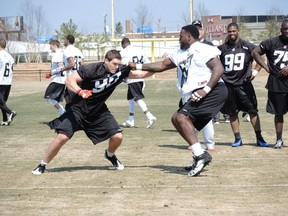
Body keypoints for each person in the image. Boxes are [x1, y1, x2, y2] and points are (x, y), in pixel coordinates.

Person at [32, 50, 153, 175]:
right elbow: (69, 80)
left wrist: (157, 68)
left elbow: (141, 75)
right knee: (62, 137)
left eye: (118, 64)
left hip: (98, 111)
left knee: (118, 137)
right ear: (106, 61)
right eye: (114, 64)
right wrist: (80, 91)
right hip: (77, 109)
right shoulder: (91, 69)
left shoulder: (120, 71)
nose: (117, 67)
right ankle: (42, 165)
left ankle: (110, 155)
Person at [129, 25, 228, 177]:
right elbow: (162, 65)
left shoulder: (203, 49)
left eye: (181, 36)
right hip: (197, 92)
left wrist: (205, 90)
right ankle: (199, 155)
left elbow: (218, 68)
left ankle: (202, 155)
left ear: (189, 37)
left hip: (213, 91)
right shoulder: (180, 53)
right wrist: (136, 65)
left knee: (181, 117)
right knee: (177, 119)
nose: (178, 38)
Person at [218, 22, 269, 147]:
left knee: (252, 111)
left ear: (238, 31)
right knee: (232, 113)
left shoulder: (247, 46)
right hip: (228, 85)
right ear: (227, 32)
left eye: (234, 31)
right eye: (229, 31)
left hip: (244, 84)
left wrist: (256, 70)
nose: (232, 33)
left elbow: (260, 56)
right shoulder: (221, 49)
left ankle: (259, 138)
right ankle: (237, 139)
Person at [251, 19, 288, 149]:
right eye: (285, 29)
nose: (287, 32)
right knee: (279, 113)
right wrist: (266, 67)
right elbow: (255, 52)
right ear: (281, 30)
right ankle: (279, 140)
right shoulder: (272, 42)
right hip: (277, 83)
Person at [120, 37, 156, 128]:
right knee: (130, 99)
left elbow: (123, 65)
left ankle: (149, 116)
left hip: (132, 78)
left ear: (123, 44)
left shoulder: (124, 52)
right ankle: (130, 120)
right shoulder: (140, 50)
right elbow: (147, 64)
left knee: (137, 98)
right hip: (140, 77)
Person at [191, 20, 215, 150]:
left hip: (205, 85)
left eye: (199, 29)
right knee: (190, 116)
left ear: (203, 30)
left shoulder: (209, 46)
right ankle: (194, 143)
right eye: (194, 29)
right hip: (191, 85)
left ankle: (210, 144)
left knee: (205, 115)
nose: (197, 31)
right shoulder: (188, 46)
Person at [44, 40, 66, 116]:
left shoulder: (58, 55)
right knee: (55, 99)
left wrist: (51, 73)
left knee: (49, 98)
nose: (50, 48)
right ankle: (62, 114)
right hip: (59, 80)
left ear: (54, 45)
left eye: (50, 46)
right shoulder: (61, 54)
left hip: (58, 80)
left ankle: (62, 112)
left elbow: (61, 67)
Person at [62, 35, 84, 106]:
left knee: (70, 99)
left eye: (64, 40)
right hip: (79, 76)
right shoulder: (78, 50)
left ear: (67, 40)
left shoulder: (67, 50)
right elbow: (82, 64)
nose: (63, 41)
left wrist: (62, 69)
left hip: (72, 78)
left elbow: (71, 64)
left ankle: (72, 114)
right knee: (73, 97)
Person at [0, 39, 17, 126]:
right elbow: (12, 68)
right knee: (2, 102)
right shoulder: (9, 56)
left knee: (1, 102)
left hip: (1, 80)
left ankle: (11, 112)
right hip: (8, 81)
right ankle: (5, 119)